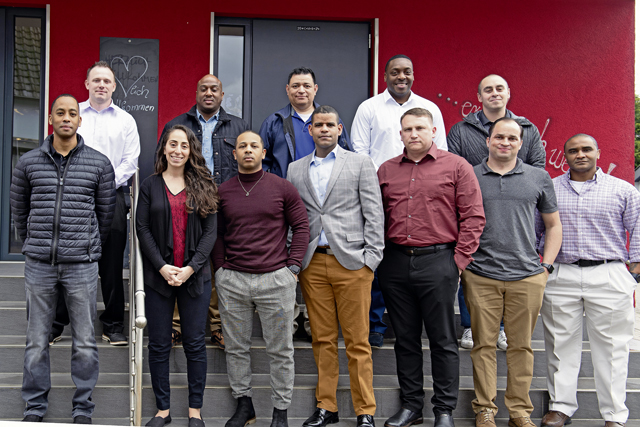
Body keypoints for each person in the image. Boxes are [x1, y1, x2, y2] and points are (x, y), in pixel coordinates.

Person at [11, 94, 115, 423]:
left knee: (84, 341)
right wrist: (34, 244)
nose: (67, 118)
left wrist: (87, 247)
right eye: (60, 113)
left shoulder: (99, 164)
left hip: (81, 265)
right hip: (39, 264)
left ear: (80, 120)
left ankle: (83, 408)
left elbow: (105, 215)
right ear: (51, 119)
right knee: (36, 341)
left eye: (72, 113)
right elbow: (20, 210)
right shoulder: (28, 163)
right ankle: (34, 407)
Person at [377, 108, 485, 427]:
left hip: (439, 261)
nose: (414, 134)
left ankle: (444, 410)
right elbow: (375, 215)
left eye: (420, 128)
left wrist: (458, 262)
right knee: (405, 339)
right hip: (395, 261)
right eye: (408, 129)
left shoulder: (457, 166)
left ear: (433, 130)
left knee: (442, 339)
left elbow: (473, 216)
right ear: (400, 134)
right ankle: (411, 406)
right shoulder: (386, 170)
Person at [460, 118, 562, 427]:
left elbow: (553, 225)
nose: (505, 142)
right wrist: (463, 265)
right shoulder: (469, 175)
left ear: (521, 143)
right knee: (483, 346)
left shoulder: (538, 177)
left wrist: (545, 267)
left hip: (527, 275)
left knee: (521, 347)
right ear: (488, 141)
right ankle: (485, 409)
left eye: (512, 138)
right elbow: (457, 221)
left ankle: (519, 411)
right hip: (481, 274)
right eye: (499, 137)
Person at [287, 105, 384, 427]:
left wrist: (371, 260)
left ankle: (365, 410)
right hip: (313, 264)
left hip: (353, 263)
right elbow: (293, 218)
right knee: (322, 339)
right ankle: (326, 407)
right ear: (310, 130)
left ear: (340, 129)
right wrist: (294, 259)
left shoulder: (359, 163)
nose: (324, 129)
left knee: (358, 342)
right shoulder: (295, 169)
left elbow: (374, 213)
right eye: (318, 125)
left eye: (330, 124)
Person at [536, 134, 640, 427]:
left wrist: (634, 272)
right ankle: (561, 407)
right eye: (573, 150)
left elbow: (638, 228)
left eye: (586, 149)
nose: (580, 154)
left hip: (608, 272)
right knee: (560, 345)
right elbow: (535, 229)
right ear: (565, 156)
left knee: (612, 348)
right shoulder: (549, 188)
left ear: (598, 152)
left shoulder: (622, 189)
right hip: (561, 272)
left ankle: (614, 415)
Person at [213, 131, 310, 427]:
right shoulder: (223, 191)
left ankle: (280, 412)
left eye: (254, 146)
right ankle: (245, 405)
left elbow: (301, 226)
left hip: (275, 281)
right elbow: (216, 234)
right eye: (242, 146)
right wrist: (220, 270)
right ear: (234, 154)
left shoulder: (282, 188)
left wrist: (293, 267)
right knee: (236, 348)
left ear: (263, 153)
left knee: (280, 350)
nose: (248, 150)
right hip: (234, 281)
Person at [351, 54, 447, 347]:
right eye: (395, 72)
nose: (401, 76)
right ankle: (376, 323)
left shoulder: (430, 109)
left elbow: (441, 150)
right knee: (378, 253)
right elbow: (360, 151)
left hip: (423, 193)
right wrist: (376, 184)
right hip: (380, 192)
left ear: (413, 75)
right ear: (385, 76)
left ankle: (418, 322)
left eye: (406, 71)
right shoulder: (369, 108)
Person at [448, 74, 547, 351]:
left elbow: (538, 167)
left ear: (508, 93)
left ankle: (502, 329)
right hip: (472, 205)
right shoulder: (461, 130)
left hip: (514, 208)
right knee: (471, 262)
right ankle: (470, 325)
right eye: (488, 89)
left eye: (499, 88)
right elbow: (453, 166)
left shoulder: (527, 128)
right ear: (479, 97)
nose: (494, 93)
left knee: (509, 265)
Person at [50, 61, 141, 346]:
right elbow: (58, 147)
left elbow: (130, 162)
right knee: (68, 258)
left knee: (111, 263)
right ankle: (56, 324)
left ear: (114, 86)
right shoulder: (73, 114)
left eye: (107, 81)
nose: (101, 85)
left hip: (113, 197)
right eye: (96, 80)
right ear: (87, 84)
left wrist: (104, 184)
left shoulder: (126, 120)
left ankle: (112, 326)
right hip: (73, 197)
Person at [158, 74, 250, 349]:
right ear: (196, 93)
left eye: (214, 89)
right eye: (203, 89)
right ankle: (176, 326)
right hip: (186, 203)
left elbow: (248, 166)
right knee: (181, 257)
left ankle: (218, 326)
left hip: (225, 206)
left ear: (222, 95)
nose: (209, 93)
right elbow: (161, 163)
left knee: (219, 264)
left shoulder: (239, 126)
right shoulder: (177, 125)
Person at [136, 125, 218, 427]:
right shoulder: (150, 185)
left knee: (195, 343)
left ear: (191, 150)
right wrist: (161, 266)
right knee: (158, 344)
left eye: (184, 145)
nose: (178, 150)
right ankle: (163, 411)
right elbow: (142, 228)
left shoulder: (204, 184)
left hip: (194, 276)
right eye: (173, 144)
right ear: (164, 148)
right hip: (158, 277)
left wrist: (190, 268)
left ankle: (195, 411)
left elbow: (210, 233)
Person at [259, 67, 351, 179]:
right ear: (287, 89)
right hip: (286, 188)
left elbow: (347, 158)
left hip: (325, 187)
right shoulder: (273, 123)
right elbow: (260, 164)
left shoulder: (332, 121)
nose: (301, 90)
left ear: (315, 89)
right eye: (295, 86)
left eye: (307, 86)